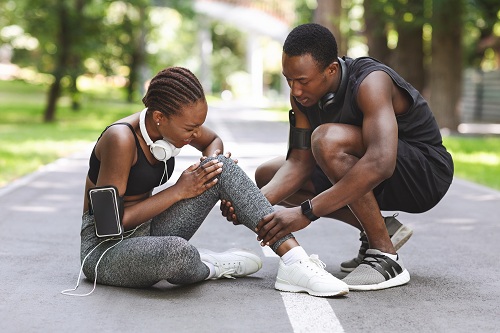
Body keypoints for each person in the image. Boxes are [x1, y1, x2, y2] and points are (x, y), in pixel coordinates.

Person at [65, 66, 349, 297]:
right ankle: (209, 266)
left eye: (198, 125)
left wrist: (210, 168)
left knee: (221, 166)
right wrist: (179, 191)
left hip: (148, 228)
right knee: (177, 253)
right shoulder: (120, 139)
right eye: (190, 128)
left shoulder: (175, 125)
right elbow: (108, 225)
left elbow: (213, 141)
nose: (196, 133)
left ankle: (294, 260)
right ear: (160, 117)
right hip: (106, 250)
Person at [225, 23, 454, 291]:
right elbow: (298, 163)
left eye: (302, 81)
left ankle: (385, 255)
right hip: (373, 171)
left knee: (326, 140)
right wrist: (253, 204)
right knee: (267, 174)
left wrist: (306, 212)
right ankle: (381, 229)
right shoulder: (301, 98)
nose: (295, 90)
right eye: (289, 80)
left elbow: (381, 163)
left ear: (331, 69)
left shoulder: (371, 82)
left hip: (423, 174)